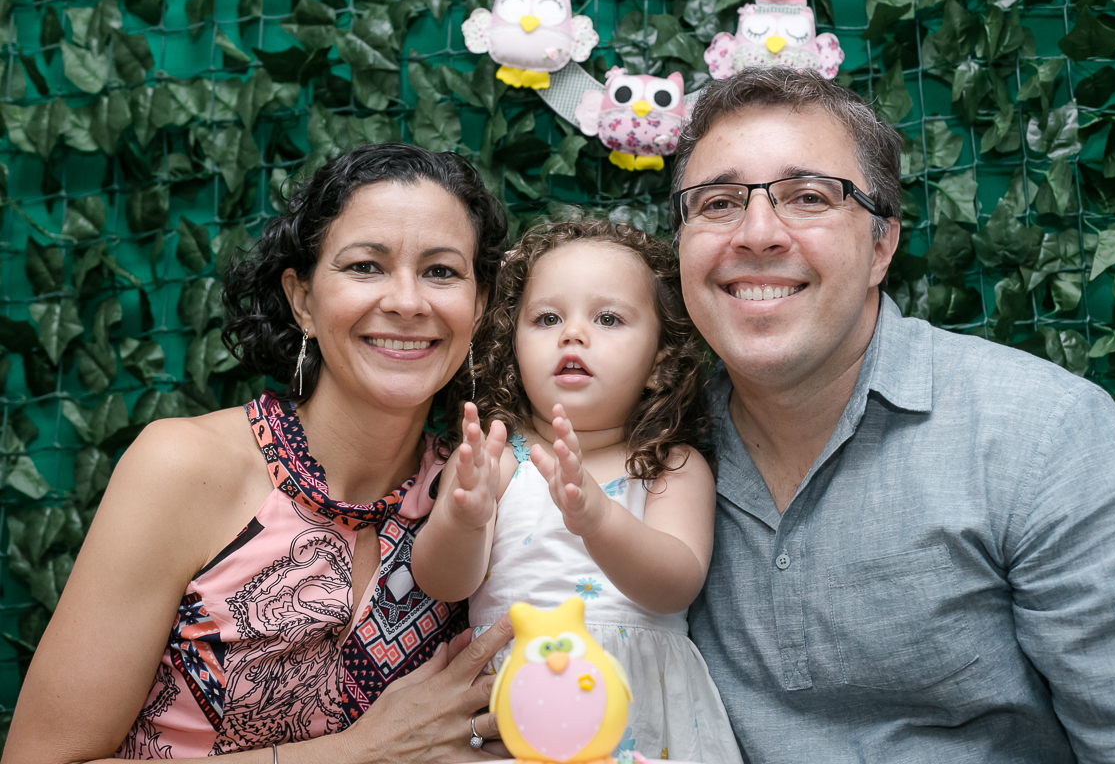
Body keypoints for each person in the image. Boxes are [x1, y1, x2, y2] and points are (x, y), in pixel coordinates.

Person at [675, 66, 1115, 762]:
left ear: (881, 246)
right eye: (718, 203)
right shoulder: (648, 450)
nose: (757, 233)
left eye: (808, 197)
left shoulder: (1044, 438)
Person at [3, 143, 518, 762]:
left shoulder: (482, 492)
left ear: (479, 305)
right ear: (302, 299)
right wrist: (360, 752)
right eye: (365, 266)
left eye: (441, 272)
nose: (408, 301)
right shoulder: (182, 467)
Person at [411, 218, 744, 764]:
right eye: (547, 318)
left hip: (638, 708)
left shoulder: (668, 464)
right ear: (514, 348)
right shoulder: (498, 454)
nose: (572, 334)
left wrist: (598, 520)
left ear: (660, 362)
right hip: (514, 703)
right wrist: (462, 519)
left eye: (608, 318)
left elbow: (675, 586)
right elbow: (443, 583)